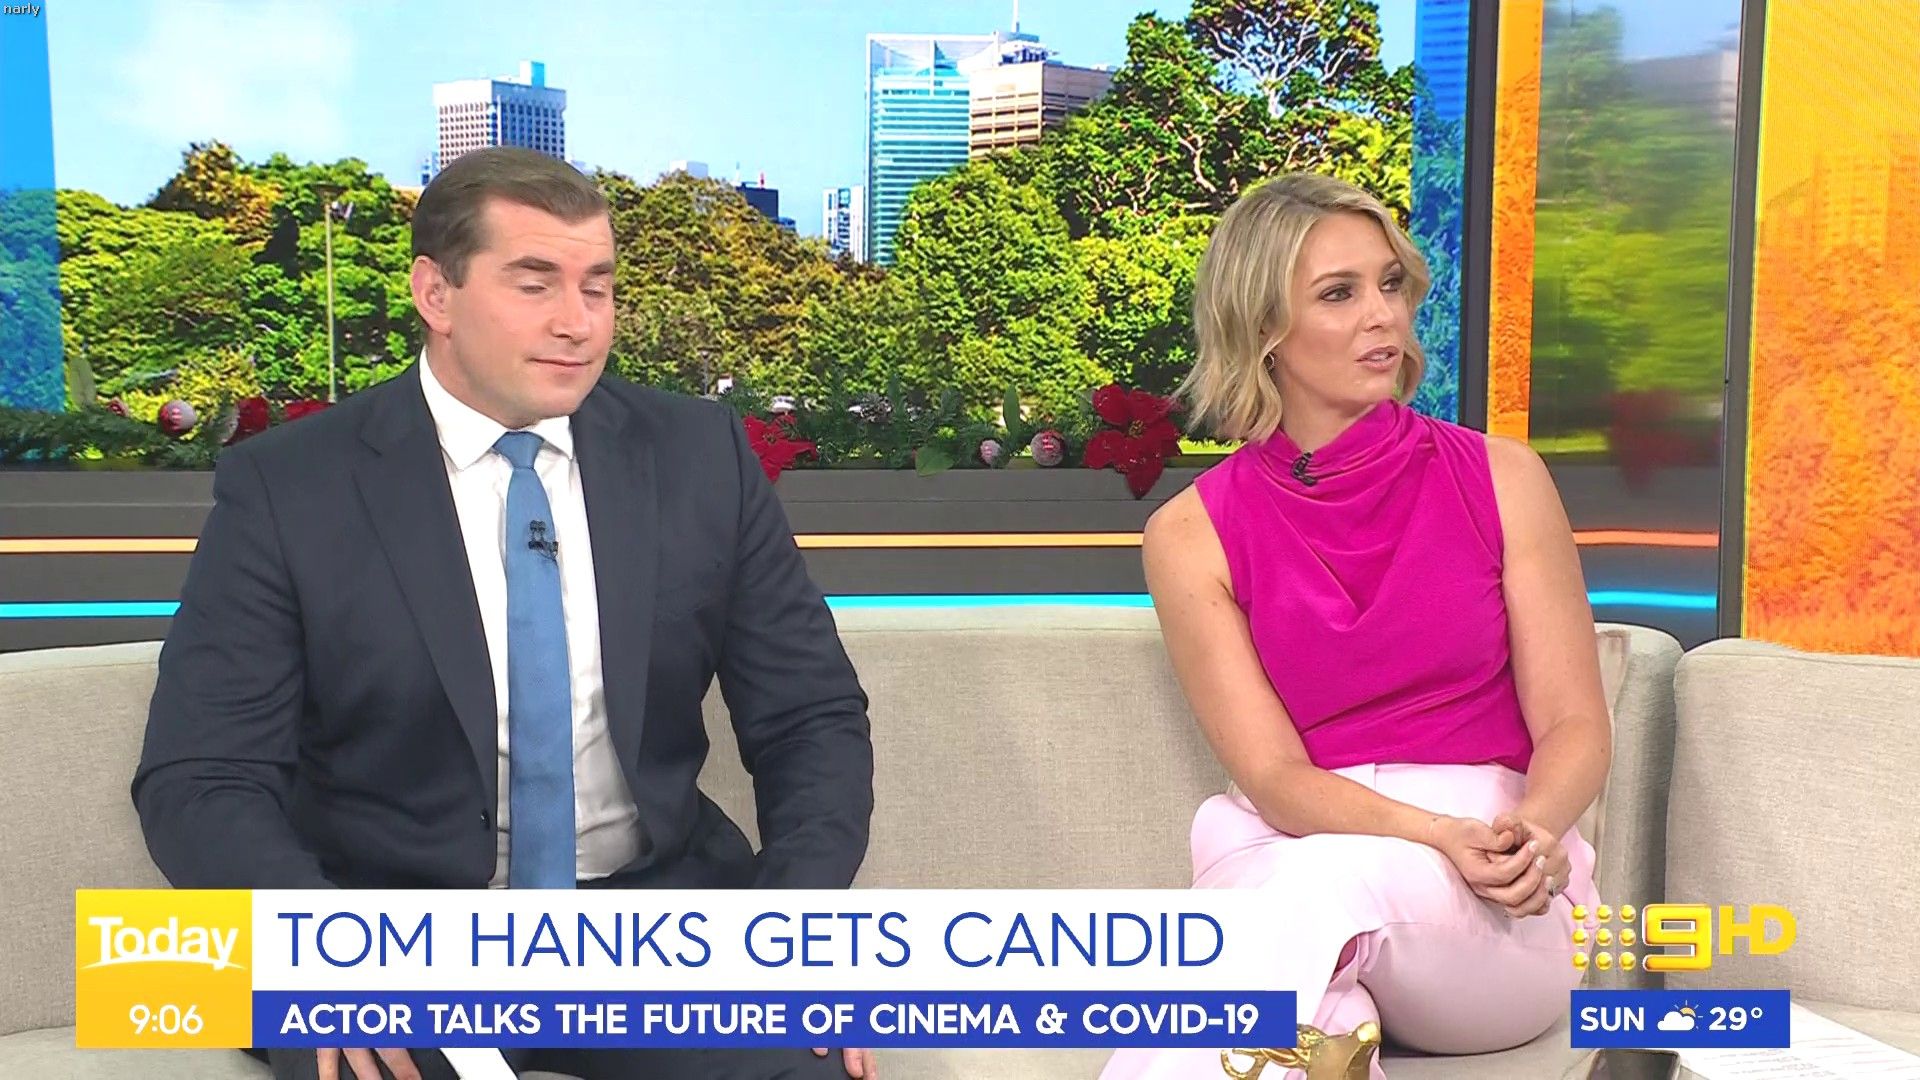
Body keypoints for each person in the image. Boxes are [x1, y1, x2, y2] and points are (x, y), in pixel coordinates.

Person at [133, 147, 878, 1080]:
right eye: (535, 285)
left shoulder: (698, 457)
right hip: (394, 941)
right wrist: (317, 947)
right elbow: (201, 774)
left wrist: (801, 922)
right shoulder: (291, 487)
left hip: (653, 926)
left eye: (597, 287)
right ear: (435, 294)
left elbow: (810, 716)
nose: (578, 322)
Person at [1099, 174, 1612, 1080]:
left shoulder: (1503, 478)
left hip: (1495, 895)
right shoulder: (1189, 535)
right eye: (1339, 294)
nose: (1383, 315)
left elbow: (1575, 723)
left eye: (1390, 283)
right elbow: (1274, 778)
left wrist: (1529, 835)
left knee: (1292, 906)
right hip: (1295, 850)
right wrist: (1424, 831)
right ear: (1264, 329)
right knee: (1306, 1033)